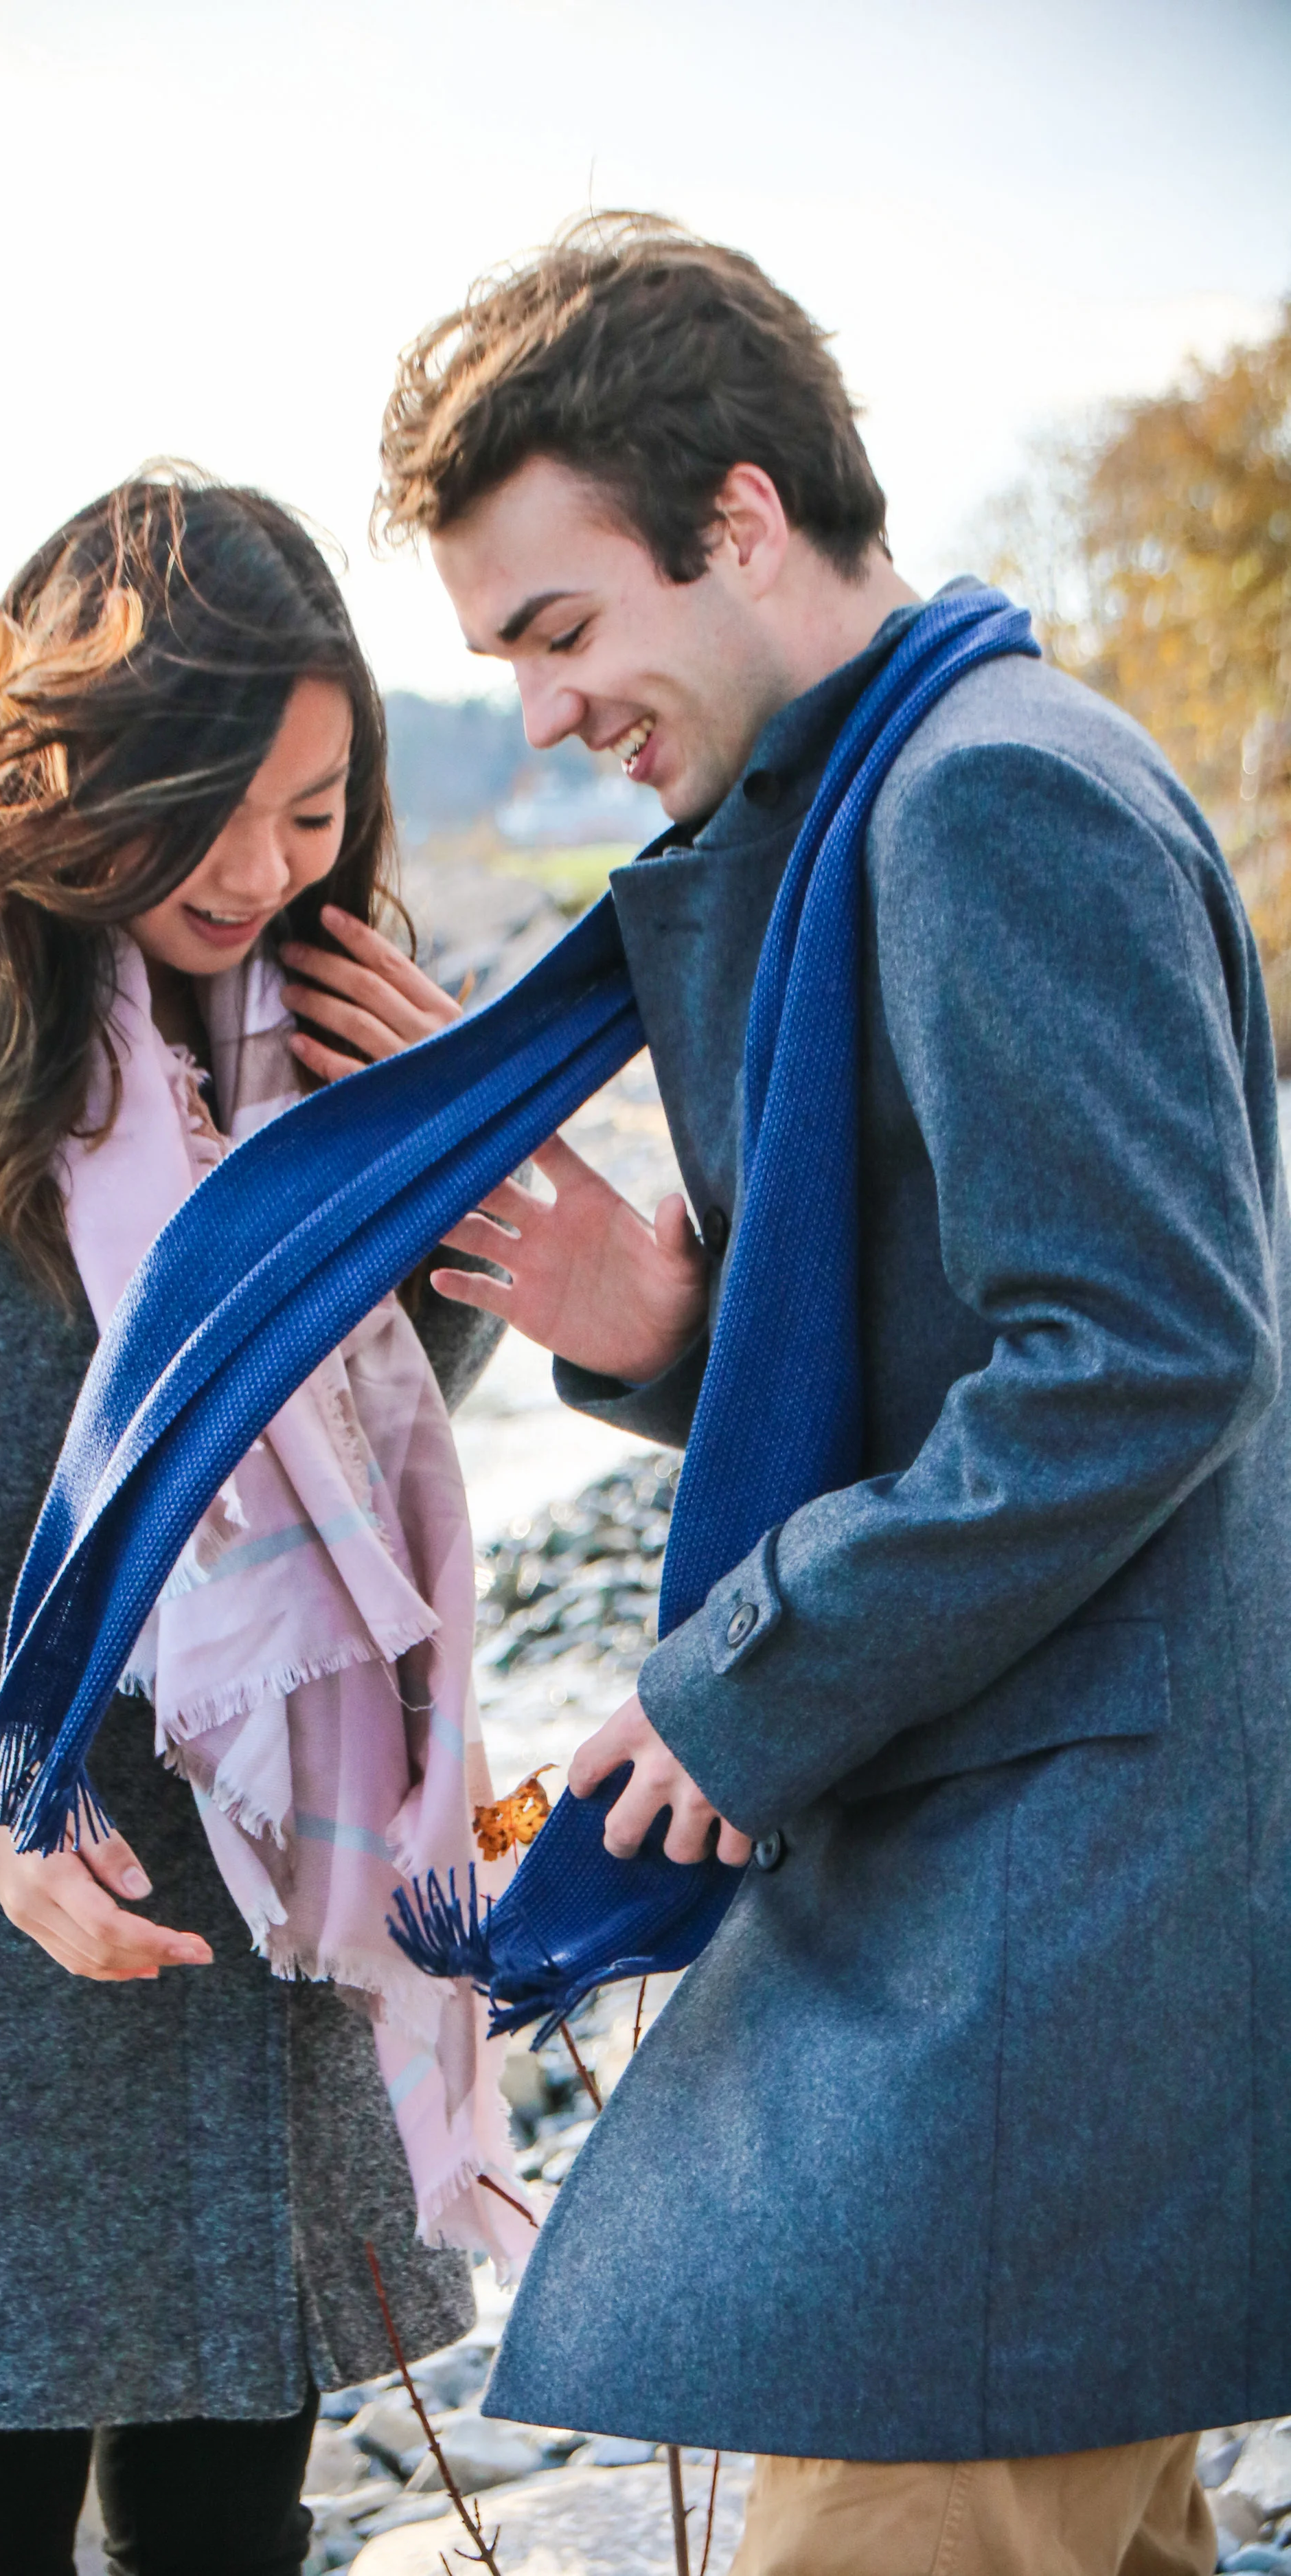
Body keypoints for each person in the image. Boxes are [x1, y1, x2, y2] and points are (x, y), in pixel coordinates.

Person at [374, 211, 1290, 2574]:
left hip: (1031, 1961)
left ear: (743, 521)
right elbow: (1038, 1346)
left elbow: (1148, 1352)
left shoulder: (984, 795)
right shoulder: (936, 777)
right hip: (1054, 1948)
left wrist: (739, 1676)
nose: (544, 712)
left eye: (559, 629)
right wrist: (677, 1339)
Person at [0, 473, 523, 2576]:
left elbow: (366, 1425)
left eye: (317, 808)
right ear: (77, 771)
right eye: (210, 810)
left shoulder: (316, 1010)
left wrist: (433, 1157)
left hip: (255, 1932)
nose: (263, 869)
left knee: (230, 2548)